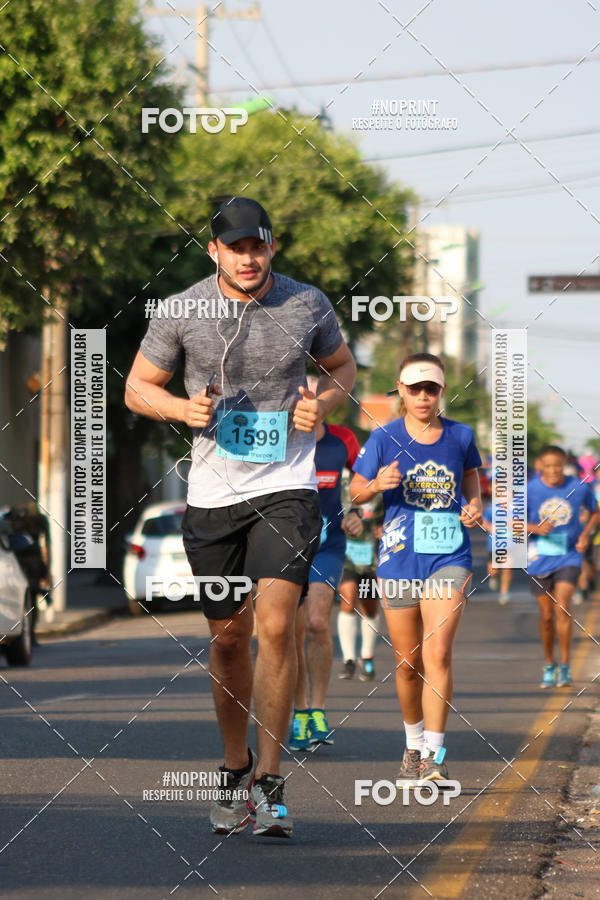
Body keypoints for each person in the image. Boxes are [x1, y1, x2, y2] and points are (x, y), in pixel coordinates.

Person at [125, 197, 356, 838]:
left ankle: (274, 782)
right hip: (214, 496)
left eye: (257, 246)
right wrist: (182, 411)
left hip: (287, 487)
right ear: (215, 251)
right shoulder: (181, 311)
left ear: (271, 247)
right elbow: (136, 387)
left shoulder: (307, 303)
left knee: (278, 627)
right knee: (229, 639)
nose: (248, 257)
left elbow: (342, 368)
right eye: (235, 247)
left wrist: (325, 403)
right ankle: (235, 770)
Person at [350, 352, 482, 785]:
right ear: (401, 392)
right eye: (415, 389)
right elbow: (355, 494)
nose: (423, 396)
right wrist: (375, 486)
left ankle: (435, 755)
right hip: (399, 559)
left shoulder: (461, 436)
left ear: (442, 391)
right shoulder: (383, 438)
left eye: (432, 388)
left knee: (438, 652)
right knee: (407, 663)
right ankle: (413, 744)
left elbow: (471, 482)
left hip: (449, 557)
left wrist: (475, 504)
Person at [290, 412, 361, 751]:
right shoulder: (278, 437)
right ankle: (299, 711)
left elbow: (363, 484)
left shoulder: (343, 439)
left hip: (327, 546)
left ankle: (317, 710)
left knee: (317, 622)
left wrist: (357, 512)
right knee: (290, 630)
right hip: (281, 546)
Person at [526, 445, 598, 688]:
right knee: (547, 616)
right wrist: (533, 528)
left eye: (557, 465)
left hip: (569, 555)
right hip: (538, 558)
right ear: (540, 466)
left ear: (564, 464)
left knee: (563, 606)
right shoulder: (530, 489)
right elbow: (509, 520)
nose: (553, 471)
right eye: (548, 466)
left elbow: (595, 511)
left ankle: (566, 665)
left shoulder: (578, 486)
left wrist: (586, 534)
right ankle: (550, 663)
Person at [337, 476, 383, 681]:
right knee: (348, 598)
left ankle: (367, 656)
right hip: (346, 556)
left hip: (371, 559)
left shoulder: (381, 489)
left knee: (370, 607)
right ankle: (348, 659)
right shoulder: (342, 487)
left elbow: (388, 520)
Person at [6, 501, 51, 644]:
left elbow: (46, 545)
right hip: (24, 563)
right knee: (29, 599)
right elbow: (47, 546)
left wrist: (47, 568)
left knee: (30, 598)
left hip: (29, 564)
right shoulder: (17, 521)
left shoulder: (27, 521)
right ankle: (29, 634)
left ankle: (29, 633)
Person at [481, 501, 513, 604]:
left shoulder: (516, 508)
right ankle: (493, 577)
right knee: (493, 570)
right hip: (494, 544)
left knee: (508, 568)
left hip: (511, 544)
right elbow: (483, 521)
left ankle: (504, 593)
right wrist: (490, 527)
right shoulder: (491, 508)